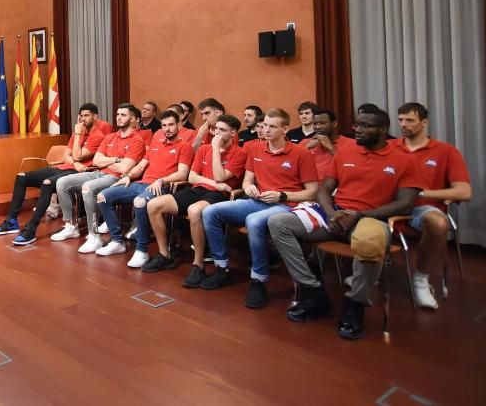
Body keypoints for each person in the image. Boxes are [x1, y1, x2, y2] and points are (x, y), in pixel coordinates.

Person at [268, 108, 421, 340]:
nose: (357, 130)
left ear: (382, 130)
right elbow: (324, 190)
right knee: (279, 223)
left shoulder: (404, 160)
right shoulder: (346, 153)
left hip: (370, 218)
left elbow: (406, 204)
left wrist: (359, 215)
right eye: (356, 125)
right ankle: (314, 292)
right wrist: (330, 213)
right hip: (335, 215)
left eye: (365, 126)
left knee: (370, 242)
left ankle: (354, 304)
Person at [200, 108, 320, 309]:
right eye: (264, 125)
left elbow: (312, 193)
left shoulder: (301, 153)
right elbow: (247, 181)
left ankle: (259, 279)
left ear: (285, 129)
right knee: (211, 211)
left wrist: (282, 195)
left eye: (273, 126)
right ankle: (221, 267)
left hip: (285, 205)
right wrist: (250, 188)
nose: (267, 130)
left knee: (253, 221)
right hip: (258, 201)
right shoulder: (255, 149)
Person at [143, 114, 247, 284]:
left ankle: (198, 265)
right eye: (215, 129)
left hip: (220, 195)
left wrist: (215, 150)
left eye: (222, 130)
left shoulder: (239, 153)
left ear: (233, 133)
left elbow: (221, 177)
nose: (216, 134)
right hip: (197, 190)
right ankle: (164, 254)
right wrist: (212, 181)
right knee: (154, 205)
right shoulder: (204, 149)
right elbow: (191, 177)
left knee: (194, 210)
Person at [391, 101, 473, 309]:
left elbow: (464, 192)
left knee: (438, 221)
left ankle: (420, 278)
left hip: (421, 207)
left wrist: (419, 193)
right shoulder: (390, 148)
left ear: (424, 122)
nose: (403, 125)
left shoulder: (446, 151)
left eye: (410, 120)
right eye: (400, 120)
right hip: (390, 206)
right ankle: (365, 272)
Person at [0, 103, 106, 245]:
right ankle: (11, 221)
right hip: (66, 167)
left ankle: (31, 229)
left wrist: (76, 137)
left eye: (86, 116)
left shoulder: (97, 136)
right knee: (21, 177)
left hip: (77, 173)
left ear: (95, 117)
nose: (82, 119)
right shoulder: (79, 132)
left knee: (47, 184)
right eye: (81, 116)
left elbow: (77, 155)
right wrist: (75, 160)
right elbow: (66, 156)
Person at [96, 110, 193, 263]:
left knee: (139, 202)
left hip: (162, 187)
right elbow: (141, 167)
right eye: (164, 125)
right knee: (103, 196)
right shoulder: (155, 144)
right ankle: (116, 241)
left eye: (171, 125)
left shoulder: (185, 146)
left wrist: (162, 180)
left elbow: (183, 173)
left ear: (179, 125)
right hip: (141, 183)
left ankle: (142, 250)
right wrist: (128, 176)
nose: (167, 129)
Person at [51, 104, 145, 252]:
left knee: (88, 188)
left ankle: (94, 236)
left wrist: (108, 160)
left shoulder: (137, 140)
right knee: (62, 182)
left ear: (132, 119)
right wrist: (117, 159)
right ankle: (71, 226)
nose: (119, 118)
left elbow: (124, 169)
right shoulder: (110, 137)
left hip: (116, 178)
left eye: (123, 115)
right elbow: (96, 161)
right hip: (98, 172)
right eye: (118, 114)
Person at [304, 108, 342, 180]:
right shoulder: (304, 143)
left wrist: (330, 147)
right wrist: (306, 148)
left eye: (322, 123)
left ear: (334, 124)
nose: (318, 127)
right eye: (315, 124)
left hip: (336, 187)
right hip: (308, 187)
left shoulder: (350, 144)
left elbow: (347, 167)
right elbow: (290, 167)